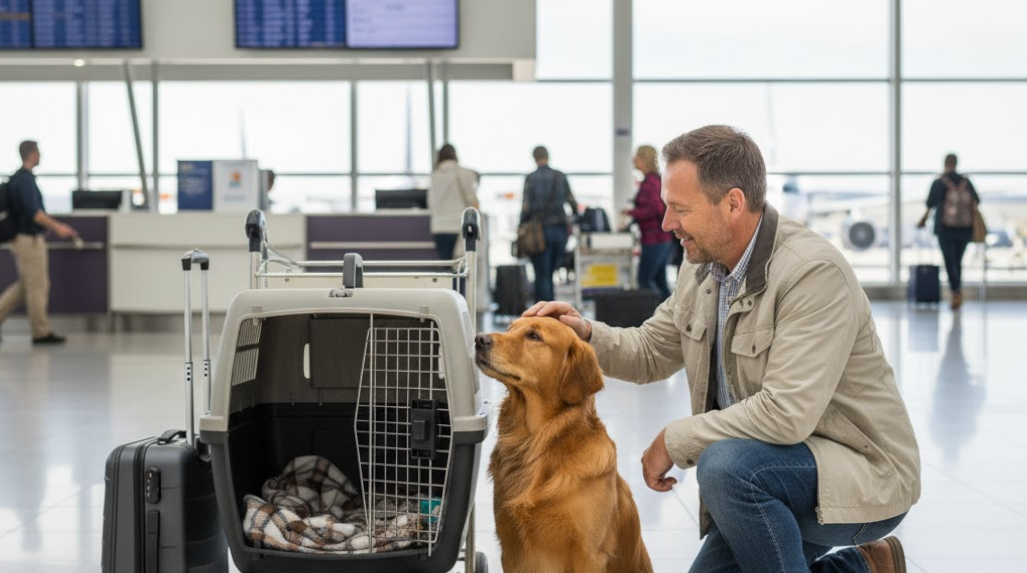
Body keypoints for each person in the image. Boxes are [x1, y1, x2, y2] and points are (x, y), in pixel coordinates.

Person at [524, 125, 921, 573]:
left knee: (725, 466)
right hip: (769, 473)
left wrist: (675, 440)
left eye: (680, 209)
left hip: (858, 474)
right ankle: (866, 567)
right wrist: (585, 334)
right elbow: (652, 349)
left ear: (732, 203)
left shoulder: (812, 273)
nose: (667, 223)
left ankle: (865, 550)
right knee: (731, 469)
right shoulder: (703, 269)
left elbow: (787, 411)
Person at [0, 140, 78, 344]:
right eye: (38, 151)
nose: (40, 155)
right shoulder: (25, 181)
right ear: (31, 153)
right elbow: (34, 213)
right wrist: (58, 227)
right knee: (38, 286)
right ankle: (41, 332)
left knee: (25, 286)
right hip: (29, 239)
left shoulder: (17, 178)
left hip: (22, 238)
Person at [917, 153, 980, 310]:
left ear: (945, 163)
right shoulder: (966, 182)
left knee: (949, 260)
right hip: (965, 229)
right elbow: (977, 200)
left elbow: (930, 203)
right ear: (956, 163)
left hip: (945, 229)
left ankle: (956, 291)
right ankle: (957, 289)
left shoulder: (939, 182)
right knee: (958, 260)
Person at [521, 146, 578, 303]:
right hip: (560, 231)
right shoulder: (560, 176)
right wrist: (577, 218)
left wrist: (521, 225)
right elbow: (572, 201)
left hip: (539, 233)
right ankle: (551, 308)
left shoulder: (531, 178)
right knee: (550, 272)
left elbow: (526, 207)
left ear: (534, 158)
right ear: (548, 156)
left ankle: (544, 314)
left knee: (542, 274)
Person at [623, 145, 674, 299]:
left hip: (655, 239)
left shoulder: (651, 182)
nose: (633, 160)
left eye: (637, 156)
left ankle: (660, 317)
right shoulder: (655, 180)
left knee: (644, 280)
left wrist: (631, 212)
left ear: (644, 159)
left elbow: (656, 209)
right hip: (661, 239)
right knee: (660, 282)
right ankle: (671, 318)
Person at [428, 144, 479, 260]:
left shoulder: (434, 176)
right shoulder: (464, 173)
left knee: (446, 269)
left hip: (439, 227)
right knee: (461, 268)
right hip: (458, 227)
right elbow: (472, 200)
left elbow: (430, 203)